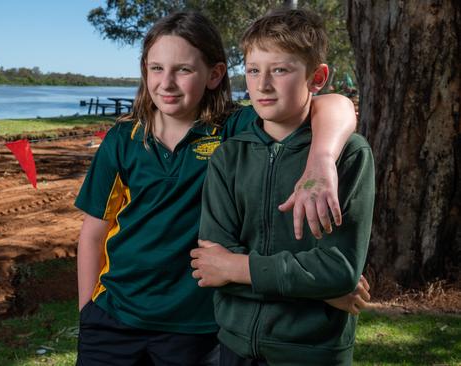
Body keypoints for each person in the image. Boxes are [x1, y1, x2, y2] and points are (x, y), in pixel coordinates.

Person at [75, 11, 366, 366]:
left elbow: (332, 104)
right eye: (156, 68)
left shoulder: (234, 129)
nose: (166, 82)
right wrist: (87, 311)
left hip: (196, 325)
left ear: (214, 75)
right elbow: (93, 233)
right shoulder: (122, 139)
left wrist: (321, 159)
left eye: (182, 70)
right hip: (113, 318)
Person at [191, 8, 375, 365]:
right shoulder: (229, 156)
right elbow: (211, 266)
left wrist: (237, 267)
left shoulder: (348, 156)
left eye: (280, 70)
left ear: (316, 77)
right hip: (235, 345)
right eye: (254, 70)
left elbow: (337, 271)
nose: (262, 85)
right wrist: (317, 290)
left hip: (312, 351)